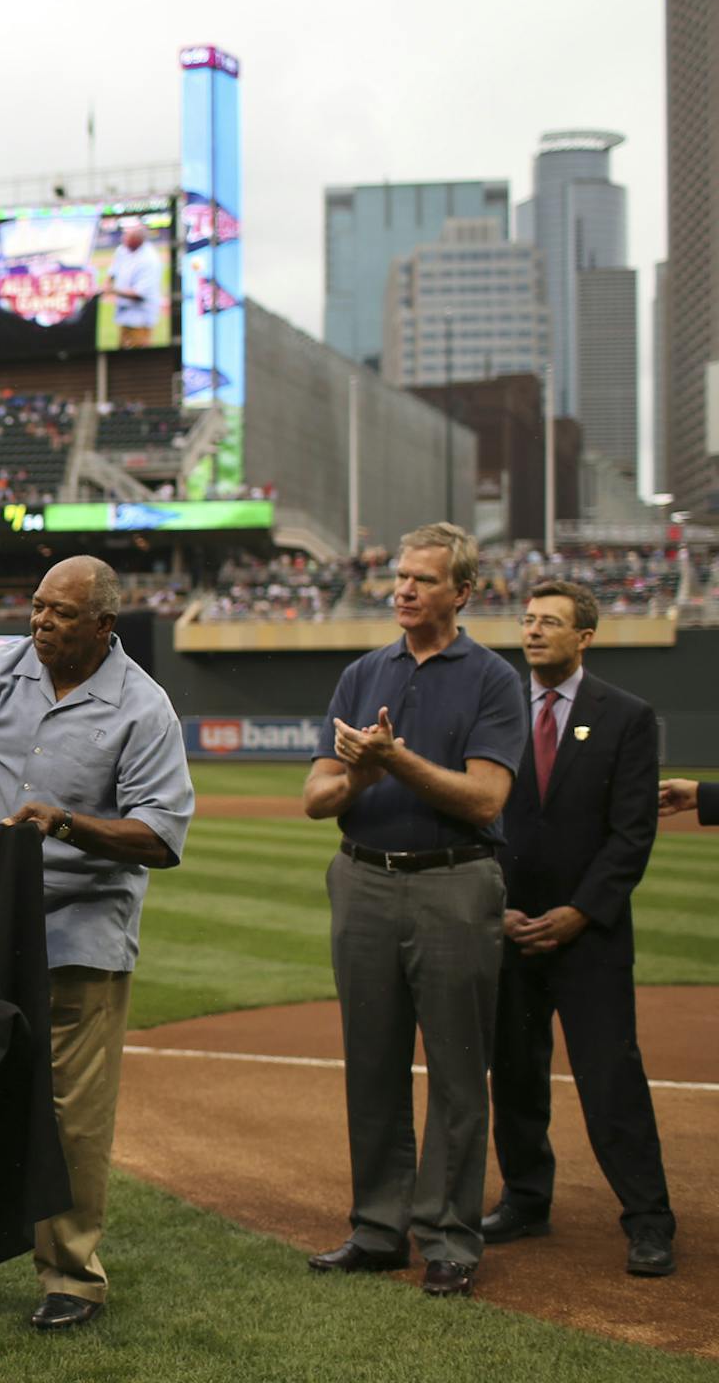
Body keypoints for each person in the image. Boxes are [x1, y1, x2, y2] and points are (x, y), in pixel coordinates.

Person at [0, 554, 194, 1331]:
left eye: (60, 613)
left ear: (103, 626)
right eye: (37, 606)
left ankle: (71, 1278)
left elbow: (161, 836)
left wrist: (65, 823)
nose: (40, 621)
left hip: (84, 932)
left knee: (71, 1113)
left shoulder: (144, 708)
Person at [301, 521, 523, 1299]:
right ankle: (378, 1227)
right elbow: (315, 798)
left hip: (454, 881)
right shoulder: (365, 672)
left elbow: (487, 797)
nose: (403, 589)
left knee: (459, 1069)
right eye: (399, 576)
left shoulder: (493, 678)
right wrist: (364, 778)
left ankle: (450, 1236)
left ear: (462, 592)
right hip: (362, 876)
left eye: (422, 580)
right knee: (371, 1062)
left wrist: (394, 760)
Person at [485, 580, 675, 1277]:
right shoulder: (498, 708)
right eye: (529, 620)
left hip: (588, 935)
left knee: (610, 1077)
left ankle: (649, 1219)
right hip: (508, 928)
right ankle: (526, 1199)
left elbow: (632, 835)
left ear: (584, 638)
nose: (533, 632)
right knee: (514, 1075)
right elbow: (481, 816)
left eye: (550, 623)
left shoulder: (625, 716)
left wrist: (578, 913)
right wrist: (495, 905)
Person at [103, 224, 164, 347]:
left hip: (140, 318)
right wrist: (108, 282)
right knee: (121, 352)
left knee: (138, 357)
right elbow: (113, 270)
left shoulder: (150, 260)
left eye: (127, 237)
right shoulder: (123, 250)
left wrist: (112, 290)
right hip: (124, 314)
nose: (123, 239)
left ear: (137, 240)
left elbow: (139, 294)